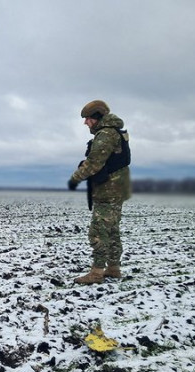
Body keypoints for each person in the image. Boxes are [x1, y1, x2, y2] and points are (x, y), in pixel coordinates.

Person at [67, 100, 132, 285]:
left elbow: (94, 163)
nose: (85, 123)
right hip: (116, 190)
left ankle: (96, 272)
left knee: (97, 232)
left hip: (108, 191)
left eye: (87, 119)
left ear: (97, 117)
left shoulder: (105, 135)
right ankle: (113, 268)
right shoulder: (115, 132)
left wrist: (75, 178)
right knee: (112, 231)